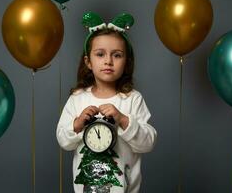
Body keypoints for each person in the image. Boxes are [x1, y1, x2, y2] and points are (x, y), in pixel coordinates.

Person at [56, 12, 157, 193]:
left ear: (126, 62)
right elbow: (63, 141)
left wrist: (124, 120)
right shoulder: (78, 99)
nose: (108, 61)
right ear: (88, 62)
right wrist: (78, 124)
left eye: (117, 55)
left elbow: (148, 142)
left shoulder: (132, 99)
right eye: (100, 54)